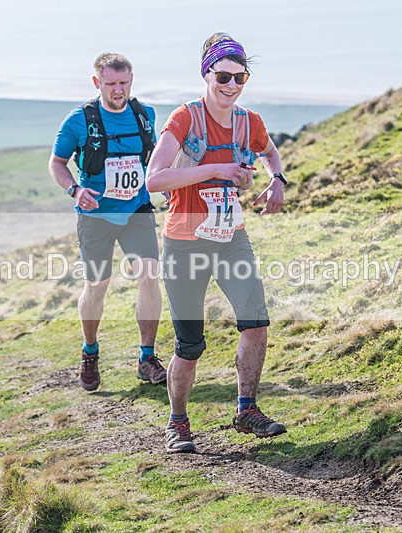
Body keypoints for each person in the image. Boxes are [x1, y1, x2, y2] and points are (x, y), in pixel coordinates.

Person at [145, 33, 289, 453]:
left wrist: (276, 181)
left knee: (256, 324)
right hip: (184, 242)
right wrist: (219, 169)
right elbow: (154, 180)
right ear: (207, 73)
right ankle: (178, 423)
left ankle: (246, 410)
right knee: (190, 346)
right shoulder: (185, 118)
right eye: (223, 75)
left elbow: (271, 154)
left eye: (239, 77)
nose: (231, 84)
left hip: (230, 239)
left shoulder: (250, 121)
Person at [49, 52, 166, 391]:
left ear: (132, 80)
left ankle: (147, 357)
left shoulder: (145, 115)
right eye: (111, 83)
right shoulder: (78, 120)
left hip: (136, 210)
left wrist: (168, 187)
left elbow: (155, 156)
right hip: (96, 214)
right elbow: (57, 163)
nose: (119, 90)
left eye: (124, 83)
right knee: (97, 286)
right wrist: (75, 190)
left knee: (149, 274)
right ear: (96, 82)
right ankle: (90, 351)